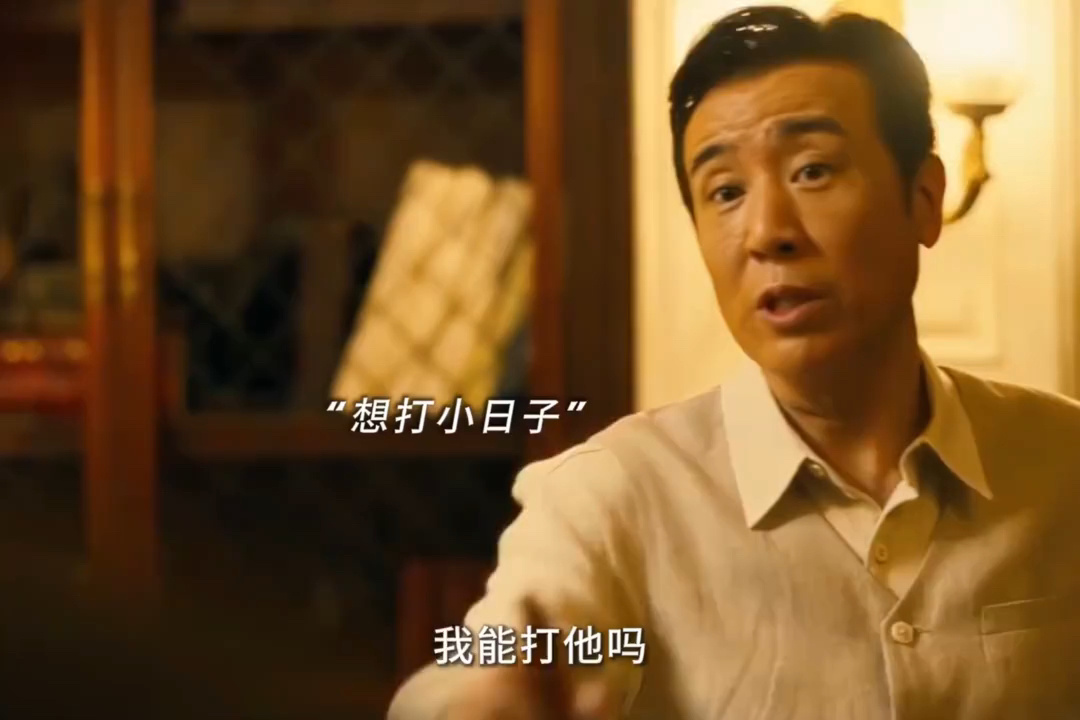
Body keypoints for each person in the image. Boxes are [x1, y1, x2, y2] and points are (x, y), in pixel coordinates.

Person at [387, 6, 1080, 719]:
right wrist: (482, 704)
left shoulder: (1062, 465)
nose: (767, 233)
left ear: (926, 199)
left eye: (813, 171)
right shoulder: (614, 497)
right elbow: (485, 666)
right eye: (725, 192)